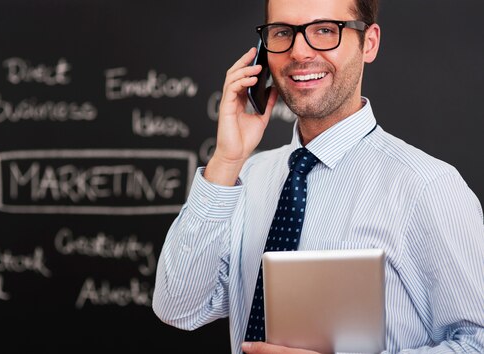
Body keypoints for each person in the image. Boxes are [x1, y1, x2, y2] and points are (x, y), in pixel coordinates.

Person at [152, 0, 484, 353]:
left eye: (325, 31)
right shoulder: (246, 177)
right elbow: (179, 309)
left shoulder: (427, 187)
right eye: (282, 33)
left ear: (368, 43)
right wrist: (226, 160)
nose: (299, 52)